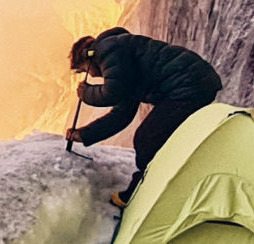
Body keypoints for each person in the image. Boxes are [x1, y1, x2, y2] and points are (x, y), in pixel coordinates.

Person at [67, 27, 223, 200]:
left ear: (88, 56)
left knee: (147, 139)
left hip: (188, 85)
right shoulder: (120, 64)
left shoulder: (109, 50)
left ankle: (144, 193)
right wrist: (85, 134)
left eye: (83, 70)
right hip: (193, 82)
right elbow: (122, 115)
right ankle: (176, 184)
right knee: (160, 136)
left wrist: (86, 93)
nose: (90, 75)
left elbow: (114, 92)